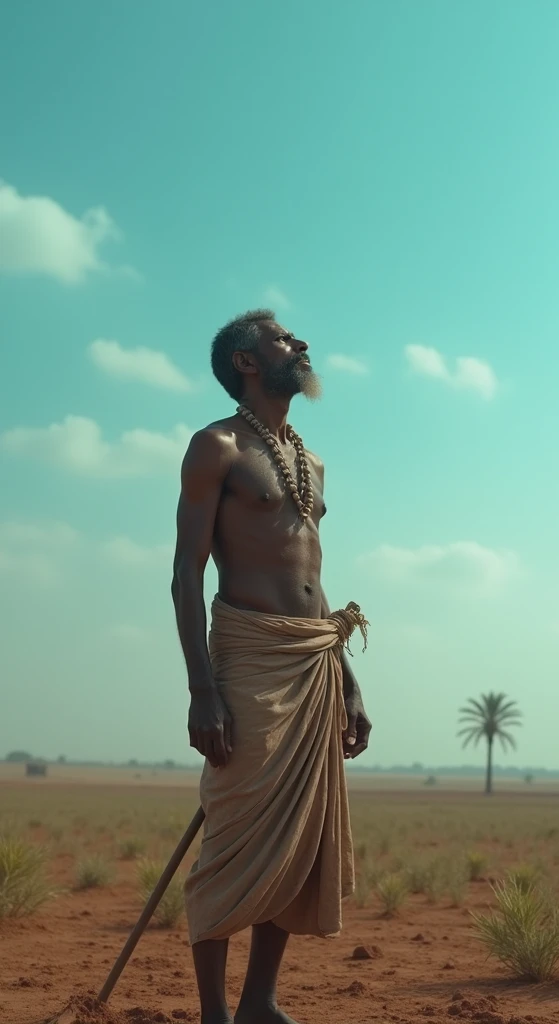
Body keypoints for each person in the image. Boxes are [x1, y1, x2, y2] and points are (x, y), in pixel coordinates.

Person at [171, 309, 372, 1024]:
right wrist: (202, 689)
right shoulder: (214, 447)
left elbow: (315, 580)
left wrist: (346, 681)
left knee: (297, 836)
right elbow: (185, 575)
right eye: (285, 339)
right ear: (248, 364)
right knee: (235, 835)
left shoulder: (310, 461)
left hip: (314, 659)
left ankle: (259, 1001)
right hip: (250, 657)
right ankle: (214, 1015)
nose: (302, 344)